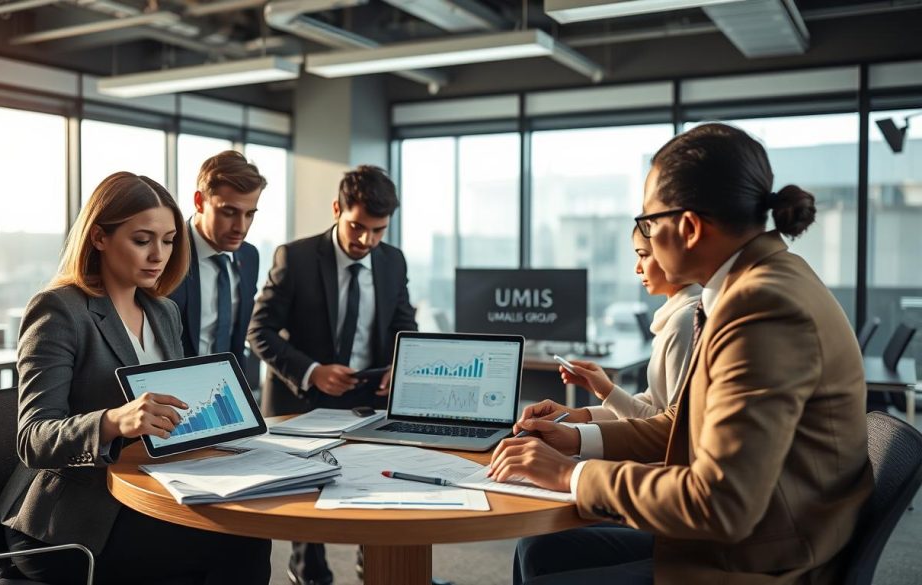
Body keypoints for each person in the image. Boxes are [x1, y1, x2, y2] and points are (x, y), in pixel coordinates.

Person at [494, 123, 873, 584]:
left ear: (689, 227)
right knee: (539, 549)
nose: (645, 241)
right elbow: (682, 422)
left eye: (650, 224)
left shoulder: (763, 307)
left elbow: (720, 503)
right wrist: (575, 441)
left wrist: (572, 475)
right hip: (754, 533)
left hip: (761, 561)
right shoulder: (755, 282)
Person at [0, 172, 271, 585]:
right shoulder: (59, 311)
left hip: (148, 485)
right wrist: (113, 421)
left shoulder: (163, 312)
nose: (157, 254)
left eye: (168, 240)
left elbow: (173, 416)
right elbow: (32, 438)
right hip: (70, 517)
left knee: (248, 534)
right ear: (100, 238)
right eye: (142, 240)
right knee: (233, 547)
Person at [247, 165, 418, 585]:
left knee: (377, 491)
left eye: (378, 230)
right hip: (306, 396)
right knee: (309, 507)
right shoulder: (297, 257)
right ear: (337, 208)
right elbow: (259, 330)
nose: (367, 240)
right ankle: (307, 571)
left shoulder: (393, 261)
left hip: (369, 395)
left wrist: (401, 365)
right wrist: (312, 371)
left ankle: (373, 565)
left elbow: (405, 326)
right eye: (358, 227)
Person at [534, 227, 701, 424]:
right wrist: (577, 415)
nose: (637, 268)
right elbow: (653, 404)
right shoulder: (675, 317)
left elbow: (669, 427)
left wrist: (607, 391)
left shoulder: (684, 322)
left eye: (644, 255)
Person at [168, 150, 265, 374]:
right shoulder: (168, 251)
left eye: (250, 214)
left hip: (227, 390)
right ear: (199, 202)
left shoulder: (249, 256)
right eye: (229, 212)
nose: (241, 227)